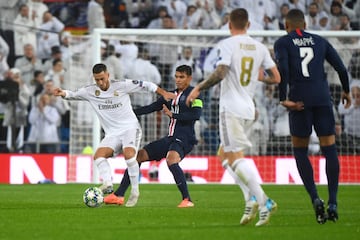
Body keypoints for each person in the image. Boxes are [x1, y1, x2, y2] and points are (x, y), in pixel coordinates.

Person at [186, 8, 280, 226]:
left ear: (229, 25)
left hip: (231, 108)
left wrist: (198, 88)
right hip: (249, 108)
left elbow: (220, 72)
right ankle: (250, 199)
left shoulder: (227, 44)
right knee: (224, 154)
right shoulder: (259, 47)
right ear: (248, 25)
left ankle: (265, 200)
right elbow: (276, 78)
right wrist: (259, 79)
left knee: (235, 156)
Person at [53, 63, 175, 207]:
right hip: (112, 133)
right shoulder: (90, 91)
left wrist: (164, 93)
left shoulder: (121, 85)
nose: (100, 83)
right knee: (98, 156)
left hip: (130, 128)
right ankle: (107, 183)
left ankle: (135, 191)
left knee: (129, 156)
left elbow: (146, 84)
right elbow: (73, 94)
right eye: (97, 79)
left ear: (108, 75)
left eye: (102, 79)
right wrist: (63, 93)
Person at [273, 9, 351, 224]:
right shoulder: (320, 40)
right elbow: (341, 68)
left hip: (299, 100)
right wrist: (346, 90)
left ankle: (316, 199)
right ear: (305, 23)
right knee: (330, 148)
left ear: (286, 25)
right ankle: (333, 201)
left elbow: (284, 70)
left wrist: (283, 98)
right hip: (322, 99)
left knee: (300, 150)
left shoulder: (283, 42)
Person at [104, 65, 202, 208]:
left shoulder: (194, 95)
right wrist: (127, 113)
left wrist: (173, 114)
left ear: (189, 78)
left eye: (182, 77)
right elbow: (151, 107)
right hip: (171, 138)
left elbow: (196, 115)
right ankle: (118, 195)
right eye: (176, 76)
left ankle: (187, 200)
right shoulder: (170, 95)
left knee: (171, 160)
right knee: (138, 156)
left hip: (185, 138)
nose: (178, 80)